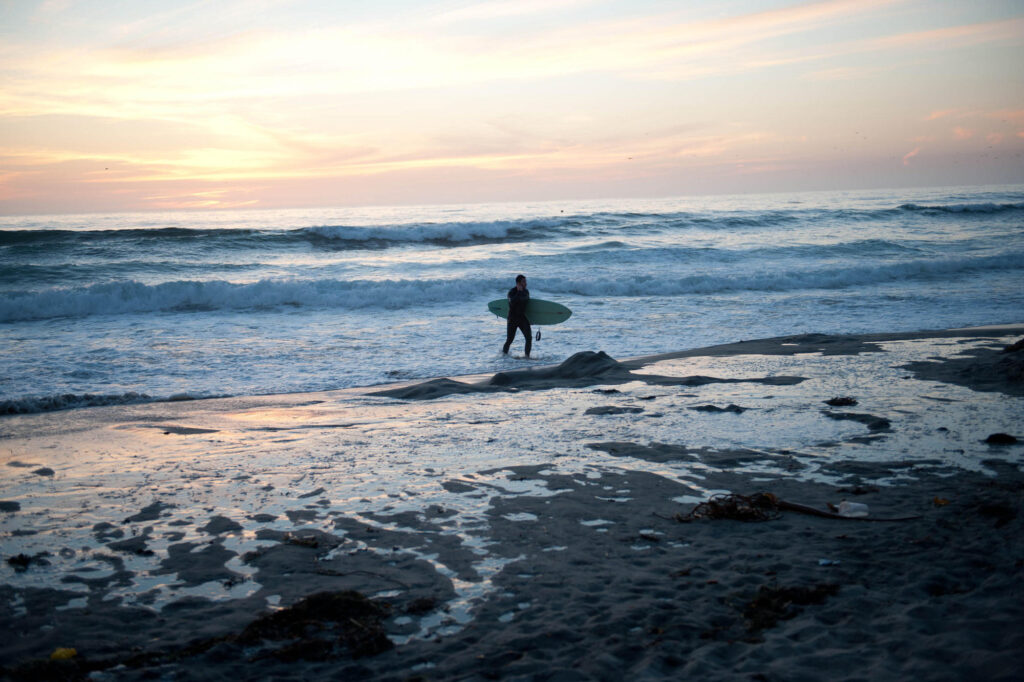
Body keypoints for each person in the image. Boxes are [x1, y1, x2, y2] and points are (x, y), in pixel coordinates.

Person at [502, 274, 531, 357]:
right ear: (518, 283)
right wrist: (518, 292)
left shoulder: (526, 292)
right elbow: (512, 302)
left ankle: (527, 357)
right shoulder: (511, 292)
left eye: (525, 281)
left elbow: (524, 299)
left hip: (522, 317)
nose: (526, 283)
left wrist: (520, 293)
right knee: (510, 340)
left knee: (528, 338)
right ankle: (504, 356)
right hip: (512, 318)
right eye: (524, 282)